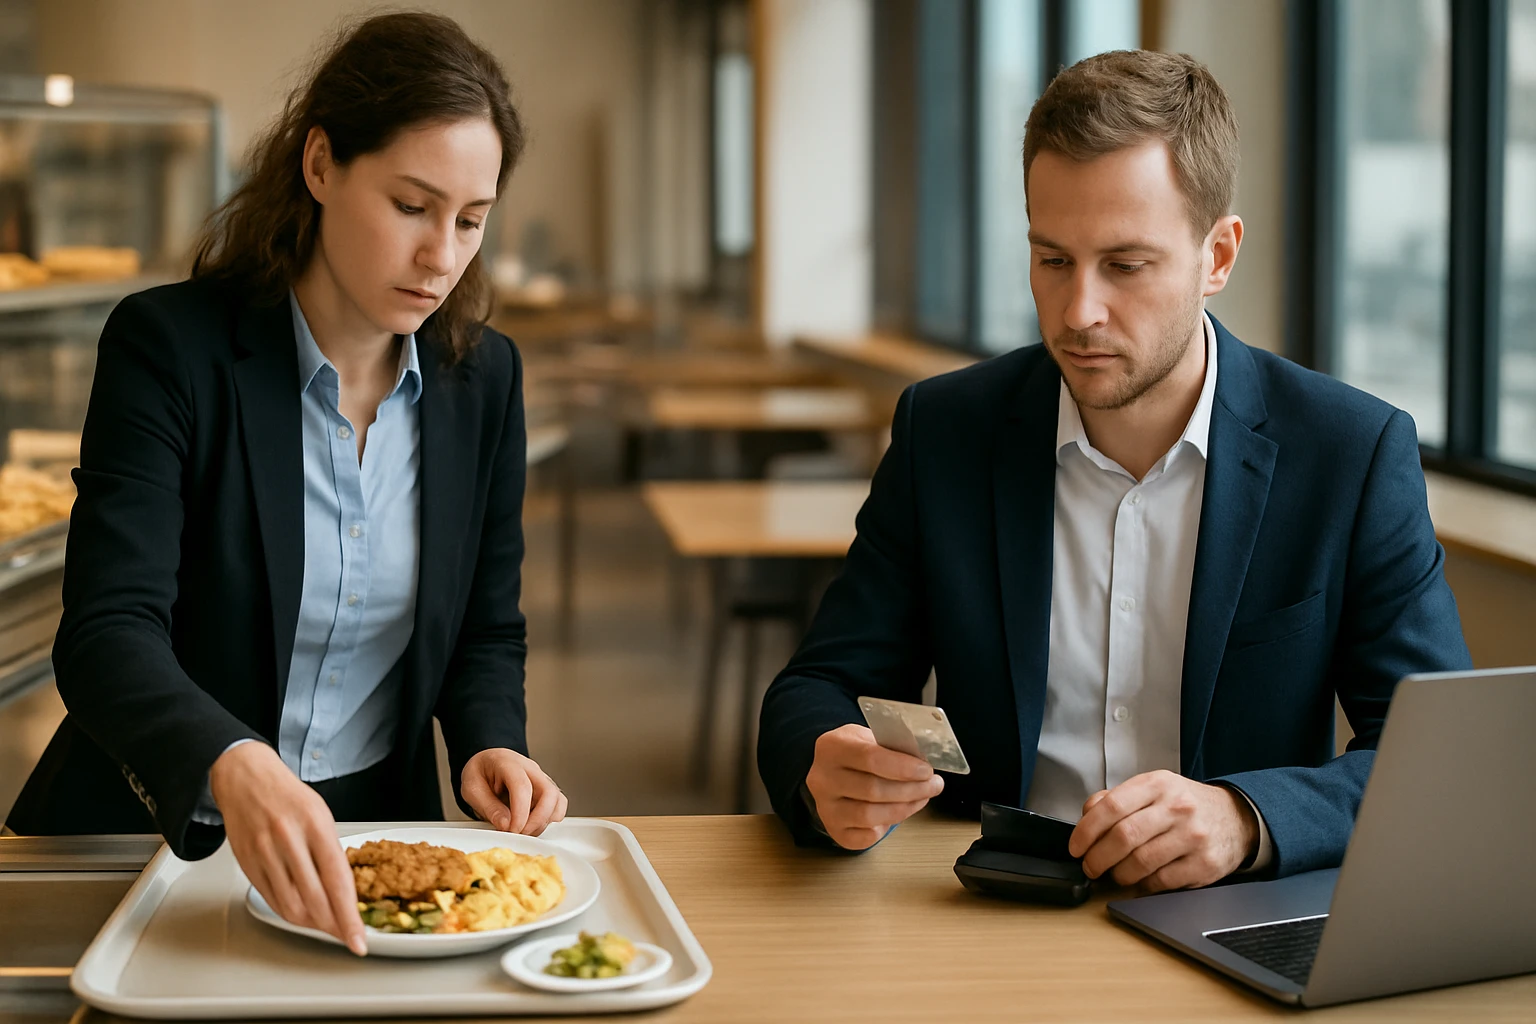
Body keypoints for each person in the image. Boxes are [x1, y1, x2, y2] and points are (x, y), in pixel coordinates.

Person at [757, 49, 1471, 890]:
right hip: (987, 906)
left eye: (1126, 266)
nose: (1079, 311)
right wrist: (826, 762)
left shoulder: (1349, 453)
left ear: (1217, 256)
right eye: (1053, 260)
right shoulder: (944, 432)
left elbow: (1441, 761)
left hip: (1224, 913)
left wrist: (1247, 819)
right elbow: (820, 685)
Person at [5, 12, 565, 955]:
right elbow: (107, 633)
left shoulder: (483, 379)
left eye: (471, 220)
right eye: (411, 205)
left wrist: (488, 742)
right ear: (319, 165)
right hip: (156, 837)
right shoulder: (169, 349)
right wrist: (227, 759)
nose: (441, 255)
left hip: (372, 837)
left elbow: (483, 628)